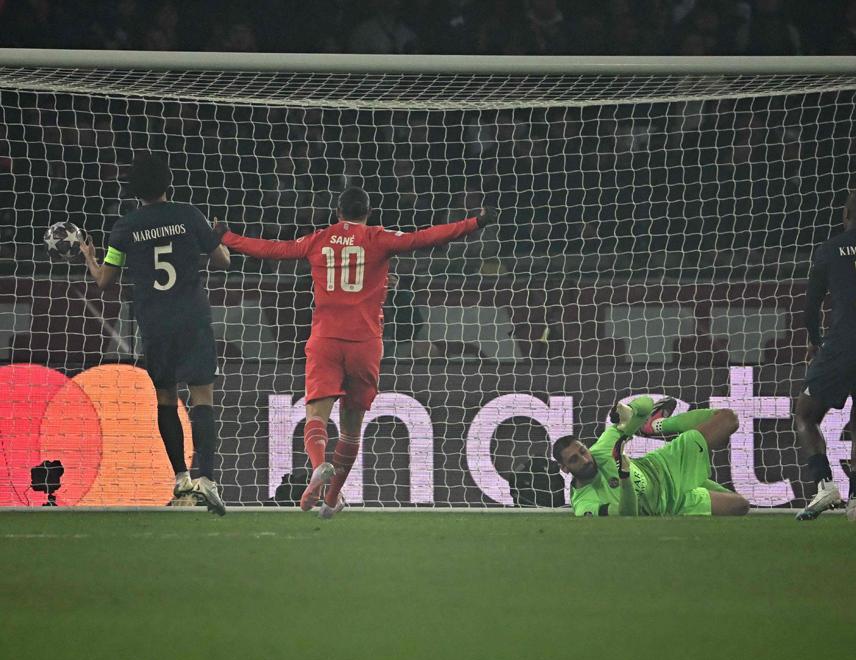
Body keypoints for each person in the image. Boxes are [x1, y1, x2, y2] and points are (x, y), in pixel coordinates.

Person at [218, 187, 490, 518]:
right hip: (364, 343)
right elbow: (426, 238)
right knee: (350, 429)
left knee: (316, 415)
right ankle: (332, 498)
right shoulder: (378, 238)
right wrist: (474, 222)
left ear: (338, 211)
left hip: (325, 340)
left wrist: (228, 236)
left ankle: (319, 466)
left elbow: (272, 249)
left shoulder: (318, 239)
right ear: (368, 211)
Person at [80, 153, 230, 515]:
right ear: (169, 183)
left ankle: (181, 479)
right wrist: (215, 234)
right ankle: (208, 479)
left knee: (166, 398)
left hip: (155, 323)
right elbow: (224, 260)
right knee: (202, 397)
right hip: (192, 318)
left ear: (135, 191)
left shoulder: (125, 228)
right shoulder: (189, 215)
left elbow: (104, 281)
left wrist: (88, 256)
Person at [794, 188, 856, 522]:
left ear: (845, 214)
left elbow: (811, 303)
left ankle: (824, 484)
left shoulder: (830, 249)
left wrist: (814, 339)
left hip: (844, 340)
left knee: (806, 413)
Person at [554, 396, 750, 517]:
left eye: (582, 451)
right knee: (740, 505)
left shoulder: (603, 449)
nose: (586, 459)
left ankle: (655, 426)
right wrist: (625, 478)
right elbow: (627, 515)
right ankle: (694, 486)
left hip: (664, 466)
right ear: (564, 468)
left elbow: (646, 404)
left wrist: (629, 411)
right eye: (574, 459)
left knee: (727, 418)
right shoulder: (584, 504)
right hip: (672, 504)